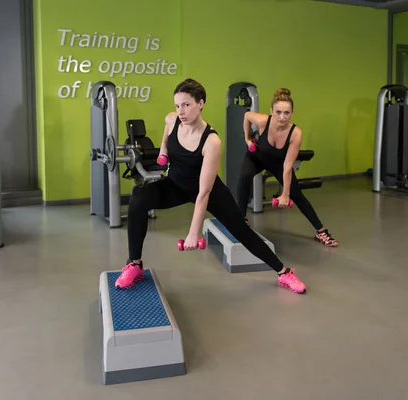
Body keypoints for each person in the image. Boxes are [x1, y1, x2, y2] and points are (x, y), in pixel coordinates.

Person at [115, 79, 307, 294]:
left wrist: (193, 232)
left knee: (242, 231)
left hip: (209, 191)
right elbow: (166, 133)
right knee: (139, 197)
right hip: (176, 186)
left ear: (201, 103)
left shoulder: (211, 141)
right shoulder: (172, 120)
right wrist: (163, 152)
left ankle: (283, 272)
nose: (181, 111)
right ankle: (134, 264)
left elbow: (204, 191)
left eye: (187, 105)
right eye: (178, 105)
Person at [238, 88, 338, 247]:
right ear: (271, 111)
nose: (282, 117)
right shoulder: (264, 121)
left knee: (297, 194)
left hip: (278, 162)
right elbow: (246, 116)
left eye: (286, 112)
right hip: (256, 156)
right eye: (278, 112)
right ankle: (241, 219)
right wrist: (247, 138)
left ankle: (321, 231)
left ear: (292, 112)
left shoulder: (295, 134)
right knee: (244, 175)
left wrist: (285, 194)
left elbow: (287, 165)